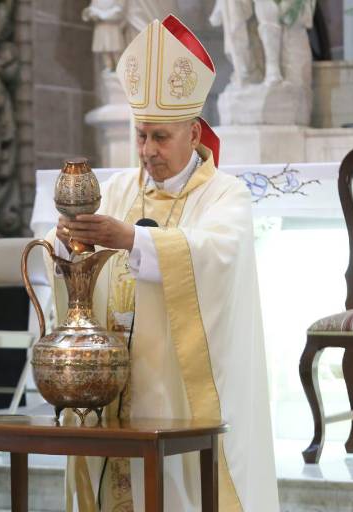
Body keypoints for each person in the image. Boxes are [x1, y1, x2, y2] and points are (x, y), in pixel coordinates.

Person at [49, 15, 279, 511]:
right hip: (114, 383)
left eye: (160, 137)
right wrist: (69, 243)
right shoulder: (116, 190)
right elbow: (65, 252)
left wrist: (129, 238)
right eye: (141, 136)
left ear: (193, 132)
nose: (147, 151)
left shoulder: (225, 195)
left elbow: (214, 257)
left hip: (177, 389)